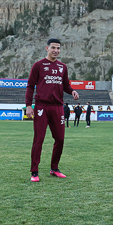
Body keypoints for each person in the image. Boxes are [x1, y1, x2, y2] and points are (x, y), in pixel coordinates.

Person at [25, 38, 80, 182]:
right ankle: (34, 171)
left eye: (58, 48)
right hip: (42, 107)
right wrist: (29, 105)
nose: (56, 50)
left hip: (57, 107)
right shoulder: (38, 65)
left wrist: (72, 91)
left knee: (60, 139)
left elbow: (66, 85)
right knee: (39, 139)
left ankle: (54, 168)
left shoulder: (63, 67)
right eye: (53, 48)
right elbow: (30, 86)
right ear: (47, 48)